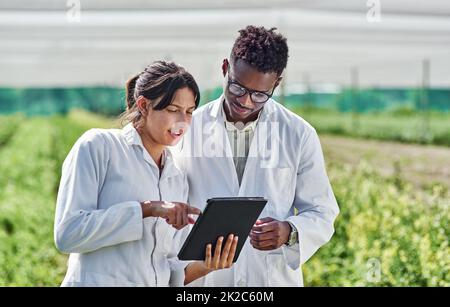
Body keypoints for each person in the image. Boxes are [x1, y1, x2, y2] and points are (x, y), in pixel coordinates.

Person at [176, 26, 339, 286]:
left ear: (277, 83)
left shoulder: (298, 134)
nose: (246, 102)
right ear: (225, 68)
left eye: (260, 94)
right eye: (237, 88)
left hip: (269, 279)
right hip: (205, 278)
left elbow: (322, 211)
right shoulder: (187, 128)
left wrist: (290, 232)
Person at [54, 60, 238, 287]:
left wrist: (208, 265)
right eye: (173, 110)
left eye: (189, 112)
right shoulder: (100, 147)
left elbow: (168, 270)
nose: (182, 121)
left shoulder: (176, 176)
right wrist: (147, 209)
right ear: (143, 105)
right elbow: (68, 234)